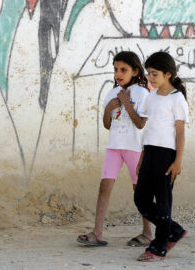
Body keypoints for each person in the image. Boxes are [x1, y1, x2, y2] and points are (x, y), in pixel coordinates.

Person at [77, 51, 153, 247]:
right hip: (114, 147)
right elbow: (107, 124)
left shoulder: (141, 93)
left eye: (123, 70)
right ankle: (97, 233)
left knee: (140, 191)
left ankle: (147, 232)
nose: (118, 74)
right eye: (116, 70)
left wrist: (127, 104)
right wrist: (108, 109)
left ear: (135, 71)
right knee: (104, 187)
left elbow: (141, 124)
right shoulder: (112, 93)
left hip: (134, 147)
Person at [134, 51, 188, 262]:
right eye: (149, 74)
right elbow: (148, 129)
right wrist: (141, 158)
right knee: (141, 199)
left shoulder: (177, 99)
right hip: (150, 152)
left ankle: (159, 247)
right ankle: (173, 230)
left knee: (163, 201)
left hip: (167, 155)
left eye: (155, 74)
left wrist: (178, 162)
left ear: (168, 74)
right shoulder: (151, 98)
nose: (150, 78)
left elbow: (181, 132)